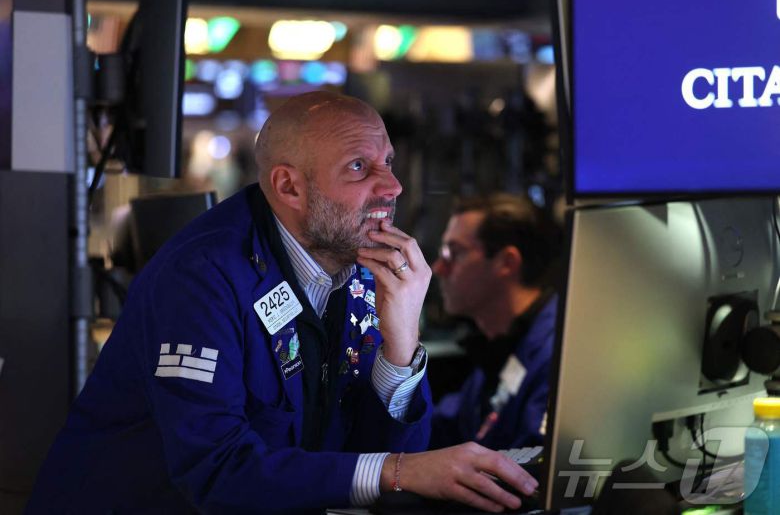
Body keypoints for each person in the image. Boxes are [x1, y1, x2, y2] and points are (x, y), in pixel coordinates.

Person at [27, 92, 537, 514]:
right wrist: (398, 471)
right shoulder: (201, 276)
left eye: (388, 162)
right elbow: (217, 472)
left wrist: (401, 343)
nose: (393, 186)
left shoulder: (359, 266)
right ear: (289, 186)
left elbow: (387, 467)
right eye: (359, 167)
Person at [430, 194, 560, 451]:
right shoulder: (498, 346)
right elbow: (443, 429)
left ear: (507, 263)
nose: (438, 268)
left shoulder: (558, 351)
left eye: (454, 253)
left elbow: (534, 466)